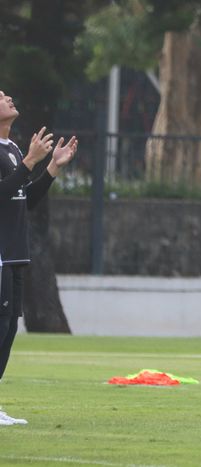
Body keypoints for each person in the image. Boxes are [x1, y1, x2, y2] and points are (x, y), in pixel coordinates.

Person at [0, 89, 78, 426]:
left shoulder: (14, 149)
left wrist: (50, 169)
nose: (8, 98)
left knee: (8, 330)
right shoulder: (18, 154)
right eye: (0, 96)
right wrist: (30, 162)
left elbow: (23, 198)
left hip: (16, 254)